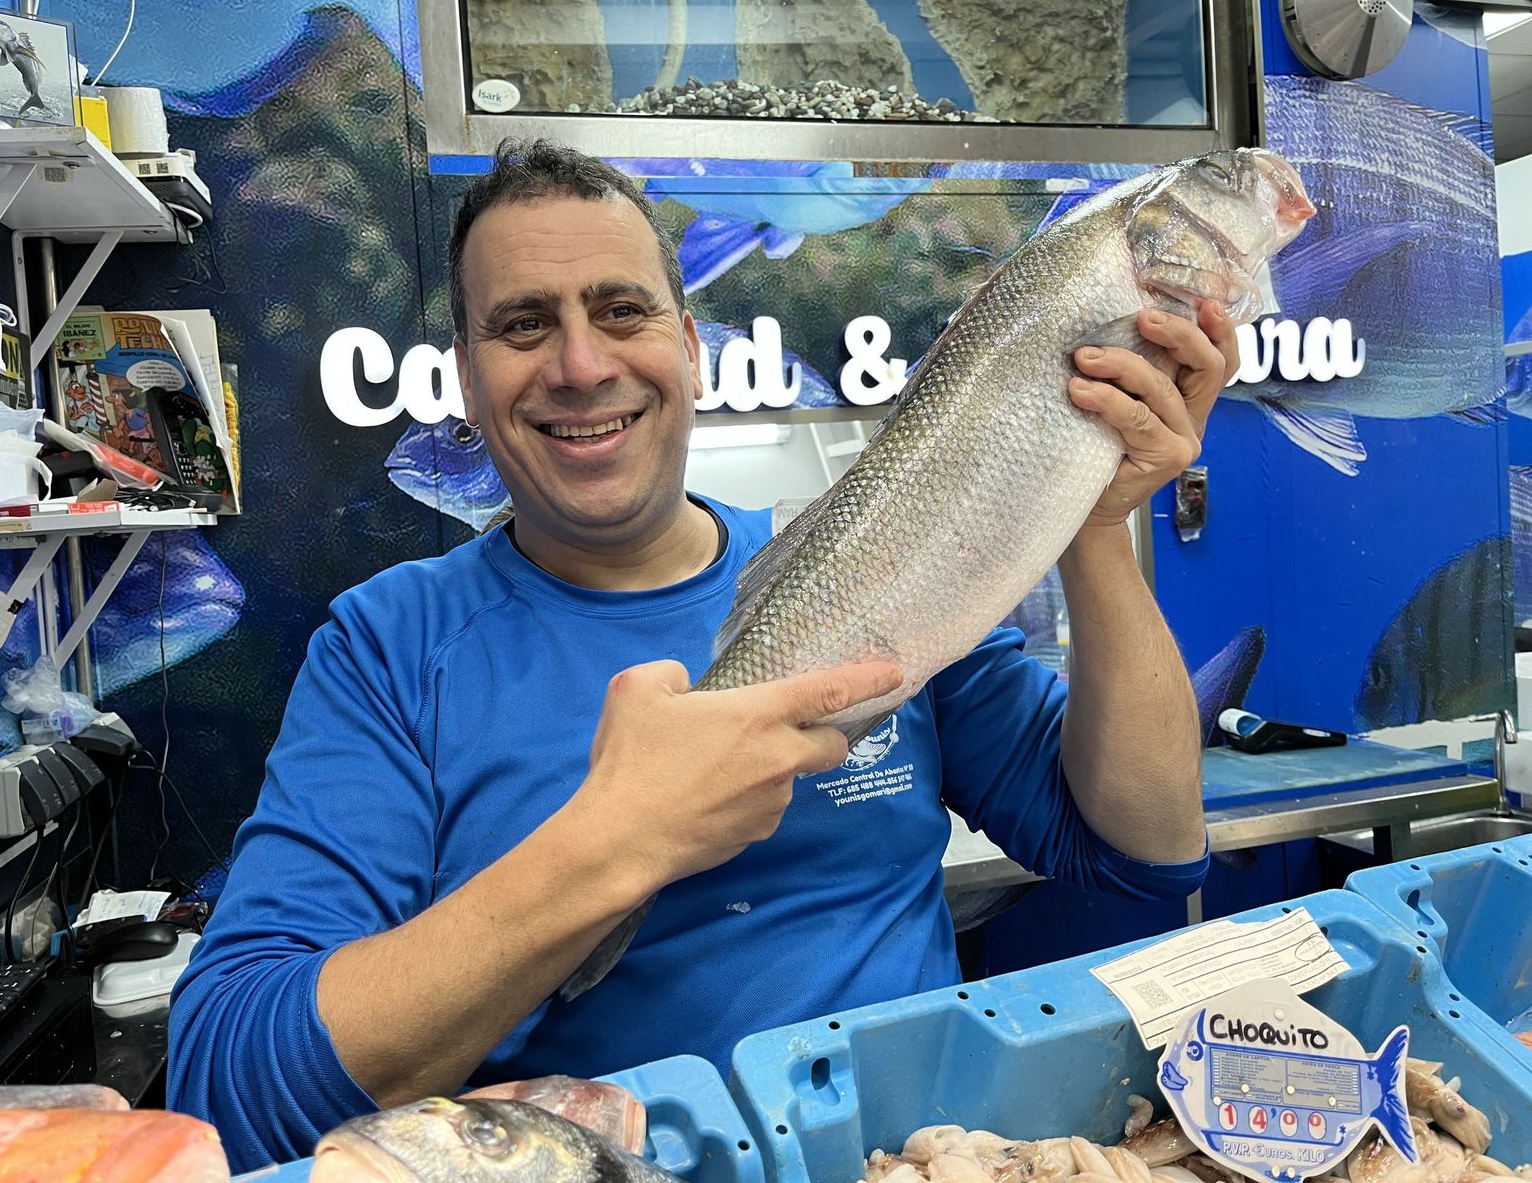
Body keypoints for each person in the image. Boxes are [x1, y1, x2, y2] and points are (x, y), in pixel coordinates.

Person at [168, 139, 1237, 1171]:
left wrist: (1093, 520)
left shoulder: (872, 559)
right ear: (465, 375)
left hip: (916, 1160)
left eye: (621, 311)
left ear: (687, 343)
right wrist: (614, 842)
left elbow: (1139, 851)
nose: (581, 366)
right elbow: (235, 1088)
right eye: (524, 325)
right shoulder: (390, 644)